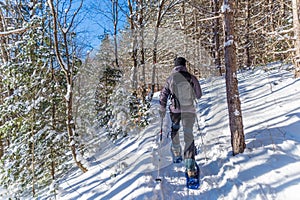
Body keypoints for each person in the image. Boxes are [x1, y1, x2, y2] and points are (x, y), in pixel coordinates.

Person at [159, 57, 202, 177]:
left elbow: (163, 96)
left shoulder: (170, 79)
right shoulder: (191, 77)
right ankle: (190, 167)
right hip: (189, 111)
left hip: (175, 111)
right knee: (188, 135)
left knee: (175, 130)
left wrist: (162, 109)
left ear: (175, 66)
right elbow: (199, 95)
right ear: (185, 65)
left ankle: (177, 152)